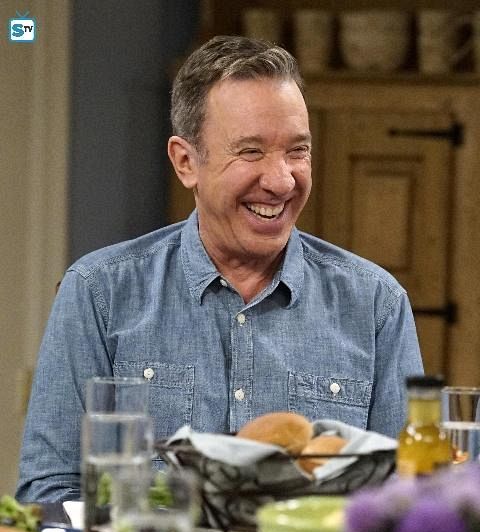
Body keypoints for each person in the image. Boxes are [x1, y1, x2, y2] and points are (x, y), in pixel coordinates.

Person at [16, 36, 423, 503]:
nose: (281, 180)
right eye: (251, 152)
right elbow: (48, 490)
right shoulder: (98, 293)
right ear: (186, 162)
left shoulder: (376, 304)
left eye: (297, 151)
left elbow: (411, 498)